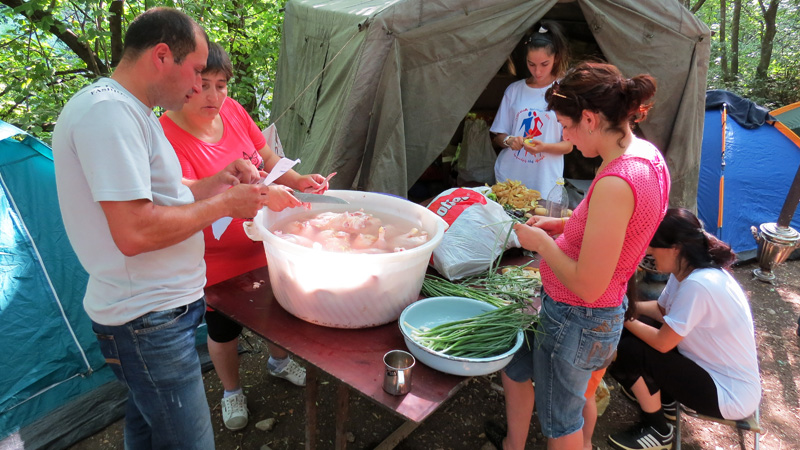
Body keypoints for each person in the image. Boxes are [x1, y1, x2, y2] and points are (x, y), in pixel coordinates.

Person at [51, 8, 302, 449]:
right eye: (196, 72)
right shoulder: (107, 114)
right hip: (147, 320)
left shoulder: (131, 111)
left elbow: (158, 191)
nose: (197, 87)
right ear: (163, 56)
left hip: (158, 314)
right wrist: (226, 203)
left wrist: (213, 183)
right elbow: (135, 232)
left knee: (147, 431)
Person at [485, 62, 671, 450]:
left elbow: (588, 284)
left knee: (561, 422)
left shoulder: (619, 180)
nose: (565, 136)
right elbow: (614, 232)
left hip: (580, 317)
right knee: (519, 367)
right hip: (589, 315)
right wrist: (563, 226)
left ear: (589, 118)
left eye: (566, 126)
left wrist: (542, 244)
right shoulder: (645, 155)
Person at [160, 42, 326, 431]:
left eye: (221, 85)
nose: (214, 96)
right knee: (223, 330)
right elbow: (180, 198)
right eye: (204, 85)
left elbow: (267, 159)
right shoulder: (165, 136)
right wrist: (267, 194)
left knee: (277, 311)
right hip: (214, 261)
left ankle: (279, 362)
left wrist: (299, 180)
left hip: (265, 244)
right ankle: (232, 391)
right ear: (185, 83)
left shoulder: (233, 111)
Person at [606, 208, 761, 450]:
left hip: (729, 395)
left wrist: (619, 314)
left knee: (626, 347)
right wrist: (629, 306)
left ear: (675, 247)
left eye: (653, 248)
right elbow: (663, 310)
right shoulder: (686, 272)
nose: (649, 253)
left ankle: (657, 429)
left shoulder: (699, 284)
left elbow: (662, 342)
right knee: (632, 331)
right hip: (710, 371)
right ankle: (663, 399)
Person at [490, 21, 574, 196]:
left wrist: (543, 147)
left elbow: (568, 146)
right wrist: (510, 141)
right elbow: (498, 136)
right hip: (509, 179)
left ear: (556, 58)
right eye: (531, 64)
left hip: (545, 182)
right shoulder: (514, 90)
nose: (537, 72)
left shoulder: (564, 91)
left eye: (544, 64)